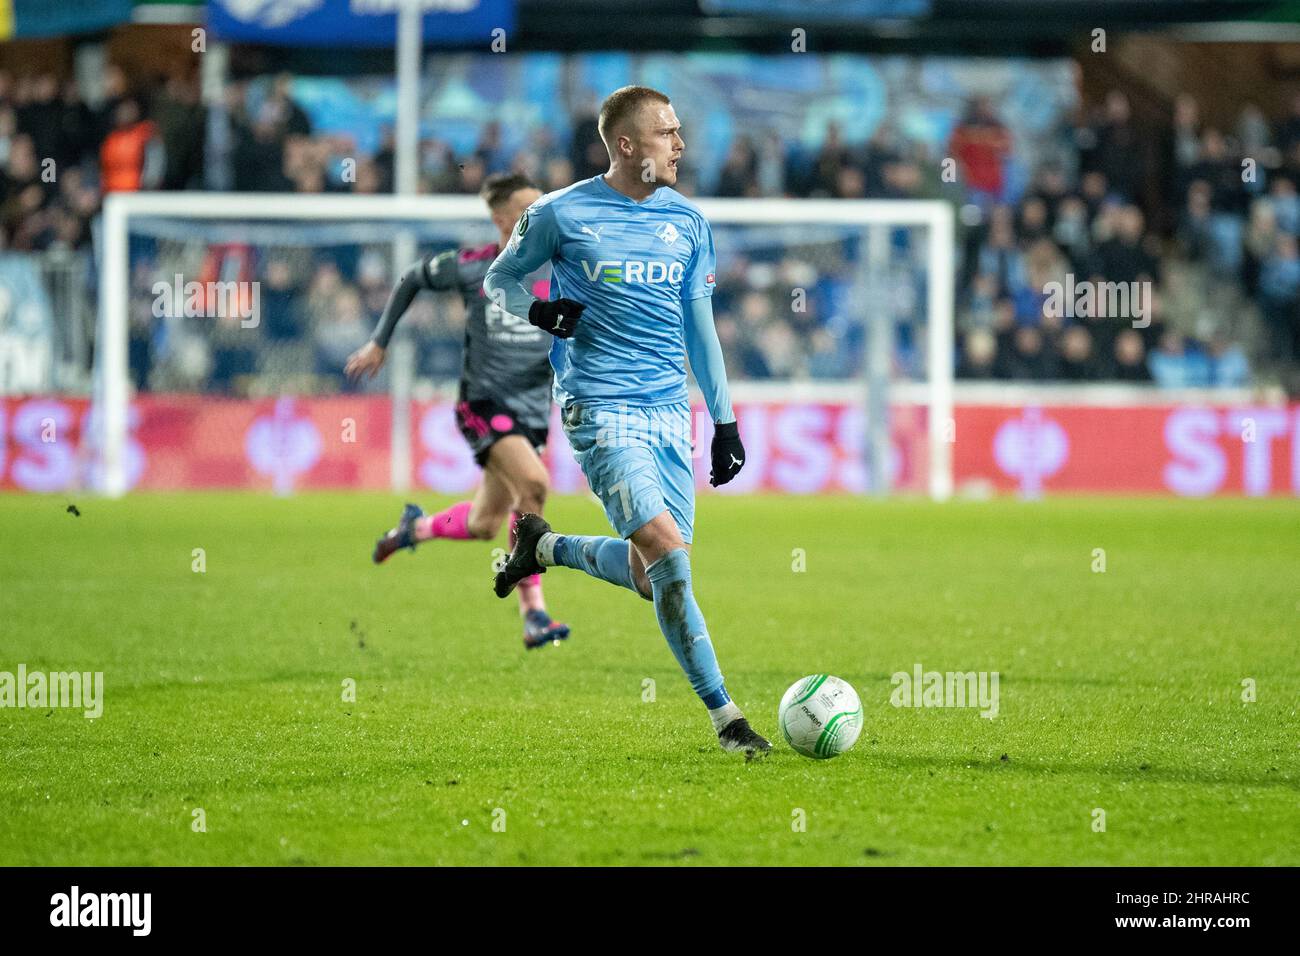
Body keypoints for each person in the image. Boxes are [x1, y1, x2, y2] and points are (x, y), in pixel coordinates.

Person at [483, 86, 770, 757]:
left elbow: (701, 331)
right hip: (600, 407)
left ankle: (544, 547)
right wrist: (539, 313)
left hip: (670, 412)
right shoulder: (561, 213)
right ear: (626, 145)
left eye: (678, 130)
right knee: (669, 558)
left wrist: (724, 423)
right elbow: (502, 280)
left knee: (652, 579)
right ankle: (728, 719)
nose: (680, 144)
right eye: (667, 132)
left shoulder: (690, 225)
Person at [344, 172, 570, 650]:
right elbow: (411, 278)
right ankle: (534, 613)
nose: (541, 217)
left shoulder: (561, 272)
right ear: (502, 220)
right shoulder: (474, 267)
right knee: (533, 486)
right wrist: (379, 342)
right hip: (484, 404)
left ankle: (414, 528)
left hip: (532, 411)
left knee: (487, 522)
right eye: (530, 210)